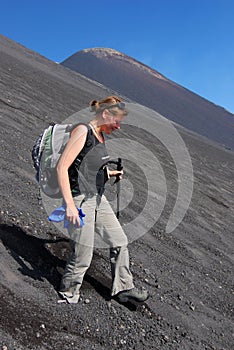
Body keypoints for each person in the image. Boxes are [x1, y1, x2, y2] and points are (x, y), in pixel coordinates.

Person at [56, 95, 149, 304]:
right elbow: (62, 167)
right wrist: (70, 205)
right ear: (105, 114)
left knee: (120, 241)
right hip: (79, 200)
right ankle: (69, 293)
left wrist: (109, 174)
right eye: (116, 121)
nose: (118, 127)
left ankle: (123, 288)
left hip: (98, 198)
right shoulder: (82, 132)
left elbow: (87, 169)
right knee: (83, 253)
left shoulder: (100, 136)